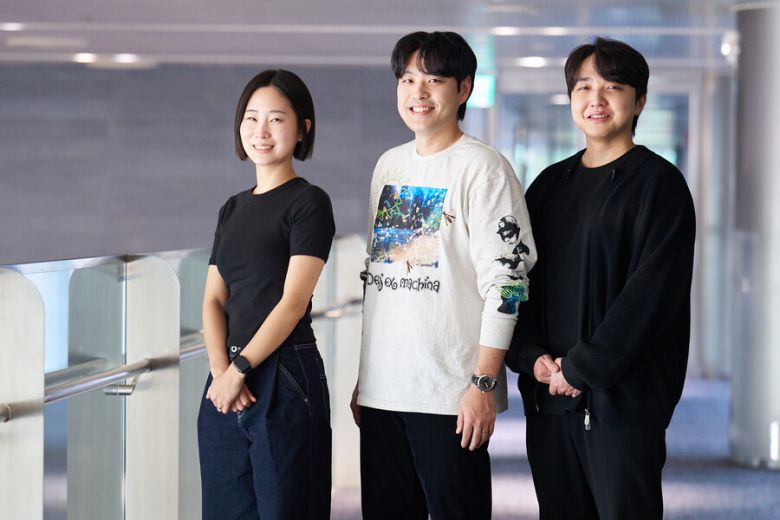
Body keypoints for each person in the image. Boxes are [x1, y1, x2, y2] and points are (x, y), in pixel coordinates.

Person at [506, 37, 696, 520]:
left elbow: (650, 299)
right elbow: (515, 275)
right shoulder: (548, 185)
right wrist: (528, 355)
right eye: (584, 87)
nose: (596, 99)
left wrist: (582, 368)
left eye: (613, 87)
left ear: (639, 101)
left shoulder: (659, 185)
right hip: (549, 397)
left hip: (622, 404)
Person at [350, 31, 536, 519]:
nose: (418, 92)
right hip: (384, 392)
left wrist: (484, 383)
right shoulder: (389, 165)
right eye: (408, 79)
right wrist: (366, 379)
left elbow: (508, 282)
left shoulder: (483, 168)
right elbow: (383, 278)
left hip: (451, 396)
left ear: (463, 88)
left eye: (433, 80)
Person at [197, 69, 335, 520]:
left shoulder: (309, 203)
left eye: (276, 119)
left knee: (287, 509)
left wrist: (240, 369)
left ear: (302, 129)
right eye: (251, 118)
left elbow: (293, 302)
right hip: (225, 380)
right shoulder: (232, 208)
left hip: (285, 374)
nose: (261, 131)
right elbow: (213, 299)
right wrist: (221, 371)